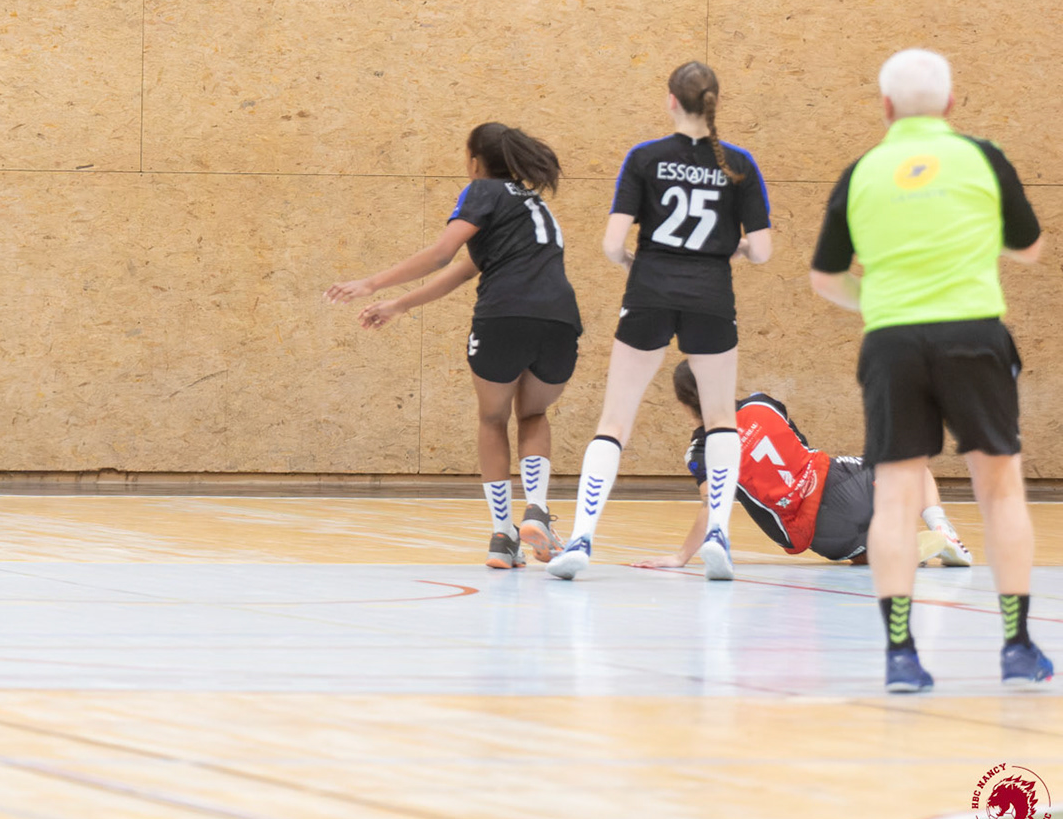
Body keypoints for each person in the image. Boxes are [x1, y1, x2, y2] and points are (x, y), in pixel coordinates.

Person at [810, 48, 1049, 693]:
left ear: (885, 108)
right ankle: (1017, 644)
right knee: (999, 489)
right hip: (974, 336)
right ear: (951, 103)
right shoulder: (984, 157)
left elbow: (824, 277)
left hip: (891, 344)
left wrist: (880, 305)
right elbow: (1030, 249)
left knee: (896, 496)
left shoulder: (861, 172)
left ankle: (900, 657)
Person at [548, 61, 773, 581]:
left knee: (615, 422)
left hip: (648, 292)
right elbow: (761, 251)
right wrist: (723, 254)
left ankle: (581, 539)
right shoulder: (739, 163)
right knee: (721, 418)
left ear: (671, 100)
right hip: (711, 297)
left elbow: (611, 245)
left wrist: (639, 265)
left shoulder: (644, 158)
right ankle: (718, 532)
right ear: (715, 102)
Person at [328, 123, 582, 569]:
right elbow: (466, 269)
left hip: (504, 314)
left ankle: (503, 536)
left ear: (475, 162)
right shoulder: (532, 205)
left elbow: (444, 254)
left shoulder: (483, 190)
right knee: (534, 413)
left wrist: (370, 283)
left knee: (492, 417)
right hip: (560, 319)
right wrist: (400, 305)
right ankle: (537, 509)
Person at [635, 361, 972, 569]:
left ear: (683, 404)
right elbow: (800, 446)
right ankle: (942, 530)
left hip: (815, 535)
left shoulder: (700, 449)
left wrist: (681, 557)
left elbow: (712, 503)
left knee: (856, 552)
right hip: (839, 487)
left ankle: (887, 551)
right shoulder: (762, 404)